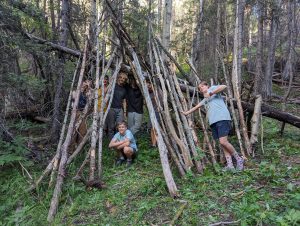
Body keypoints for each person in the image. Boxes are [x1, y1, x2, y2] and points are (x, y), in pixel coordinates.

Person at [182, 81, 244, 171]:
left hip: (222, 118)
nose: (201, 88)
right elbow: (196, 107)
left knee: (223, 142)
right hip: (214, 122)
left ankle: (239, 159)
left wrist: (211, 93)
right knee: (223, 144)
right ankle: (230, 165)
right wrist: (186, 113)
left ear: (207, 86)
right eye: (200, 88)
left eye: (203, 86)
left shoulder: (213, 89)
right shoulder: (205, 99)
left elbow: (224, 86)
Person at [70, 80, 92, 152]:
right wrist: (81, 89)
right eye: (85, 82)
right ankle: (71, 149)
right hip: (76, 112)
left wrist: (89, 88)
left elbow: (90, 100)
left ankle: (79, 149)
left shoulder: (86, 93)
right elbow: (74, 97)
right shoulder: (75, 91)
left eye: (87, 83)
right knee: (74, 130)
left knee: (83, 131)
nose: (86, 84)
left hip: (84, 113)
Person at [106, 72, 128, 140]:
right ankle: (112, 142)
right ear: (118, 78)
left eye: (124, 79)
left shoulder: (124, 89)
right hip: (111, 108)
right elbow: (106, 91)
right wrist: (110, 83)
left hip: (120, 109)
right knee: (111, 127)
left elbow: (124, 101)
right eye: (121, 77)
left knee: (120, 127)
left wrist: (124, 112)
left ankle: (119, 141)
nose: (122, 79)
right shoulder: (113, 85)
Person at [146, 78, 162, 147]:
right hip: (152, 112)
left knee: (155, 128)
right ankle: (154, 144)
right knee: (152, 128)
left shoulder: (158, 91)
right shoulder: (149, 92)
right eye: (148, 84)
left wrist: (159, 108)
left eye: (150, 84)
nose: (149, 86)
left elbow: (161, 102)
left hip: (157, 112)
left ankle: (155, 143)